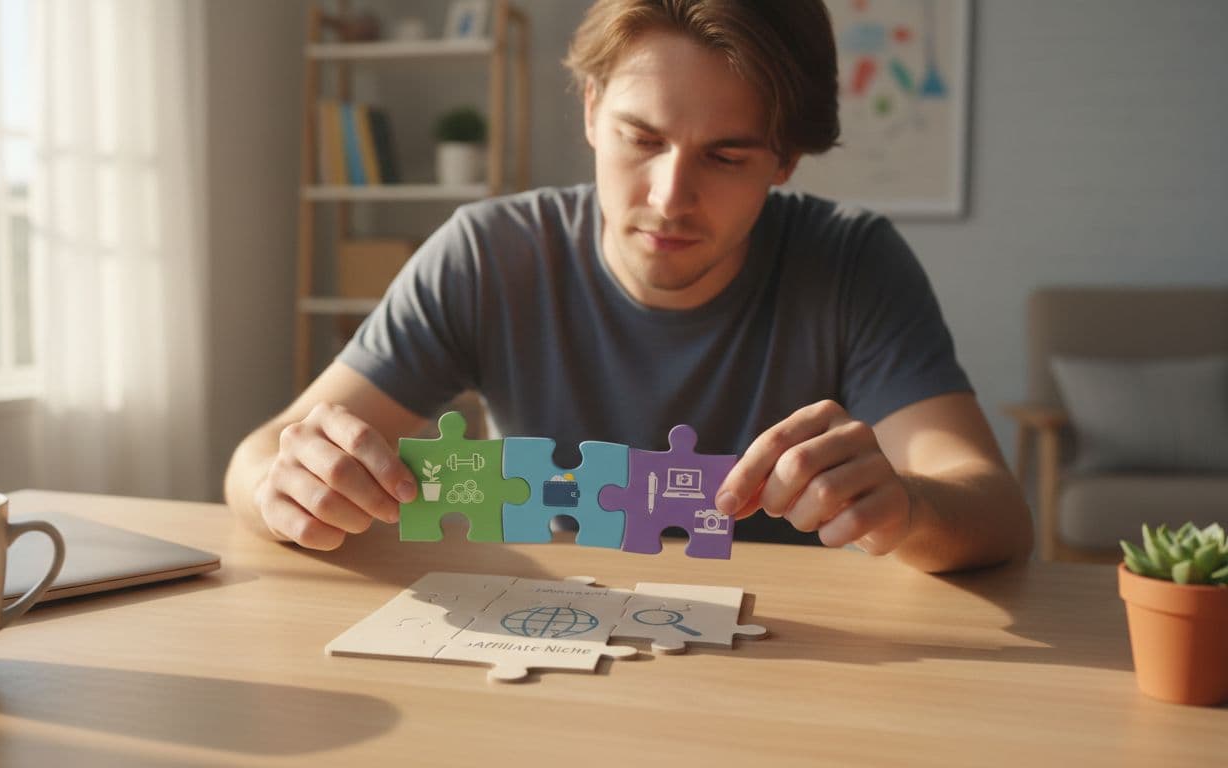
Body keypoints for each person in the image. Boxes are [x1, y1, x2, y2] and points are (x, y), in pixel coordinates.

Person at [225, 0, 1032, 573]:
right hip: (551, 645)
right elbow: (260, 454)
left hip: (782, 666)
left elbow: (994, 508)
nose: (669, 198)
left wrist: (911, 509)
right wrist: (286, 485)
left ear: (785, 161)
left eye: (726, 156)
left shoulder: (854, 262)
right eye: (640, 139)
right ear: (589, 108)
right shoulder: (486, 253)